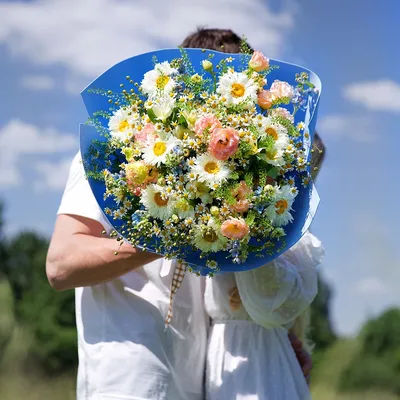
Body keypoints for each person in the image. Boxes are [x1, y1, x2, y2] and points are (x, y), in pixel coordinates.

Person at [46, 28, 313, 400]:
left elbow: (227, 285)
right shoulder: (112, 158)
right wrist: (173, 237)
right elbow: (61, 265)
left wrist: (279, 341)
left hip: (199, 380)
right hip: (127, 375)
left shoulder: (230, 176)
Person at [204, 134, 325, 399]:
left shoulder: (290, 246)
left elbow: (266, 302)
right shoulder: (211, 225)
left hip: (259, 362)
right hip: (218, 361)